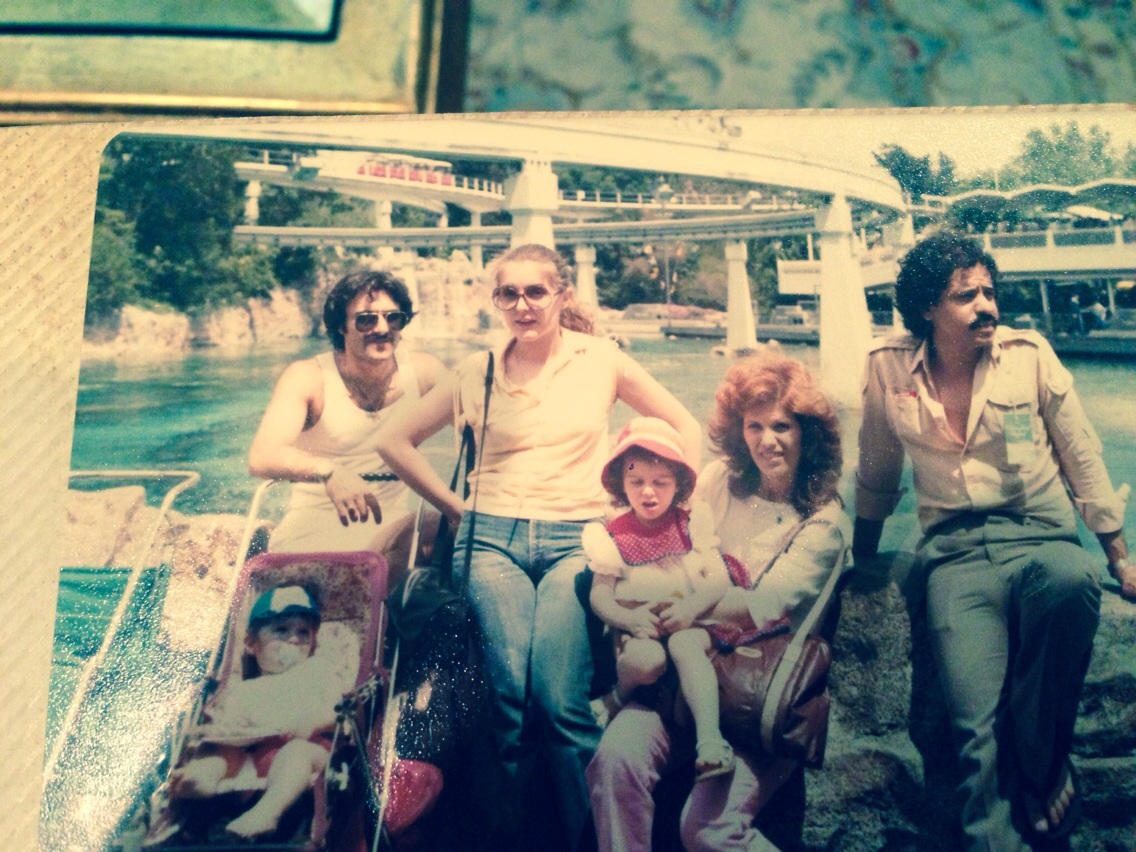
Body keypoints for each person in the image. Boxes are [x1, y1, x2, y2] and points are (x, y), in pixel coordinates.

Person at [375, 243, 701, 850]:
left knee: (559, 699)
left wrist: (670, 513)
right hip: (490, 541)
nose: (522, 305)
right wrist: (455, 508)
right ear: (496, 300)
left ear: (562, 295)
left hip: (576, 540)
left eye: (535, 292)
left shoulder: (602, 359)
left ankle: (595, 839)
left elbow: (685, 426)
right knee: (507, 697)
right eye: (509, 293)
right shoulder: (476, 370)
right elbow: (393, 440)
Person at [853, 230, 1134, 850]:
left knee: (1073, 581)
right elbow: (876, 468)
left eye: (988, 291)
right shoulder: (887, 367)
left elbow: (1081, 455)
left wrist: (1119, 557)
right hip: (954, 558)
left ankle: (1042, 751)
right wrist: (861, 559)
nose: (986, 305)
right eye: (966, 295)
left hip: (1040, 538)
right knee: (975, 735)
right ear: (927, 307)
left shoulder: (1029, 355)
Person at [586, 352, 850, 852]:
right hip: (683, 678)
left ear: (808, 433)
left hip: (754, 693)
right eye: (754, 425)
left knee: (708, 829)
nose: (767, 440)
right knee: (615, 761)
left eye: (782, 426)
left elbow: (766, 602)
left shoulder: (825, 523)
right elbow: (664, 533)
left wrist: (690, 607)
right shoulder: (717, 483)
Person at [247, 269, 447, 564]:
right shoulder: (309, 377)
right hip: (313, 530)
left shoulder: (424, 373)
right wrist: (330, 472)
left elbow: (479, 422)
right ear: (341, 325)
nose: (382, 328)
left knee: (449, 525)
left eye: (393, 318)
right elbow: (262, 456)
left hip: (394, 529)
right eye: (366, 319)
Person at [584, 417, 735, 779]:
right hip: (641, 629)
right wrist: (628, 619)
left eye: (660, 482)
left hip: (687, 622)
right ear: (621, 483)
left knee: (685, 646)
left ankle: (710, 740)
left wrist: (691, 608)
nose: (648, 492)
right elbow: (600, 596)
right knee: (646, 659)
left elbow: (719, 579)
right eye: (636, 481)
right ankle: (618, 696)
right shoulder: (613, 535)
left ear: (678, 483)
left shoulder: (692, 522)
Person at [167, 586, 350, 839]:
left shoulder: (318, 671)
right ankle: (201, 778)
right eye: (281, 630)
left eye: (303, 632)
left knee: (296, 753)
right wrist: (223, 732)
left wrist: (315, 722)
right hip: (255, 757)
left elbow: (339, 713)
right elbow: (230, 726)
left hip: (312, 751)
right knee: (216, 748)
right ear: (252, 643)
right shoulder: (244, 689)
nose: (294, 639)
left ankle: (268, 813)